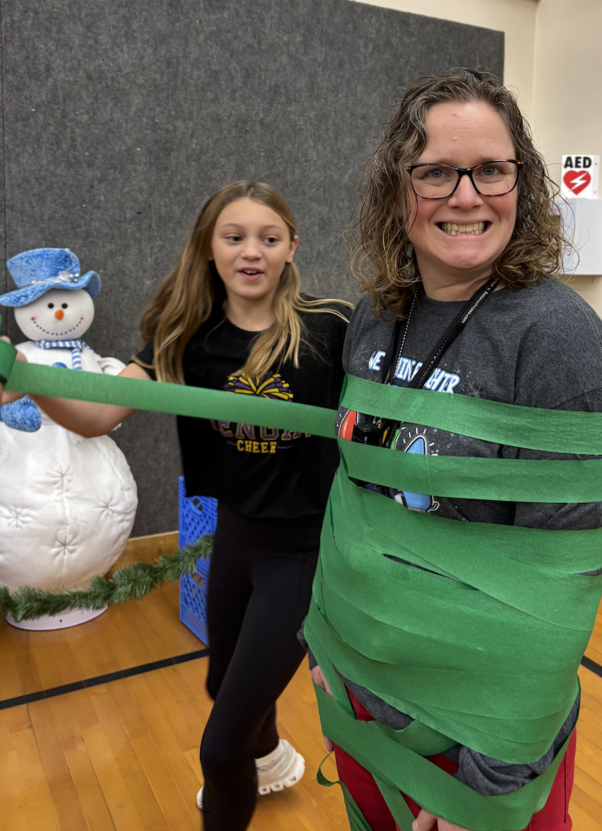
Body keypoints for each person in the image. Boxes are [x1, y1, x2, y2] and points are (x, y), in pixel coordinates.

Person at [304, 70, 602, 831]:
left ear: (522, 182)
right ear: (397, 192)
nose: (465, 195)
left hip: (477, 740)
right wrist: (320, 640)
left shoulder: (563, 347)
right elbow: (351, 499)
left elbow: (561, 591)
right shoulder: (376, 316)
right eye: (434, 173)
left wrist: (491, 785)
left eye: (490, 169)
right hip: (359, 695)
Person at [1, 180, 350, 831]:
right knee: (223, 688)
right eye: (234, 237)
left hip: (304, 555)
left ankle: (243, 771)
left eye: (268, 239)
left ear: (291, 248)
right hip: (237, 540)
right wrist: (26, 381)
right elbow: (98, 416)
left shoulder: (331, 327)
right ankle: (269, 756)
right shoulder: (183, 334)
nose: (252, 252)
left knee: (220, 746)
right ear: (209, 248)